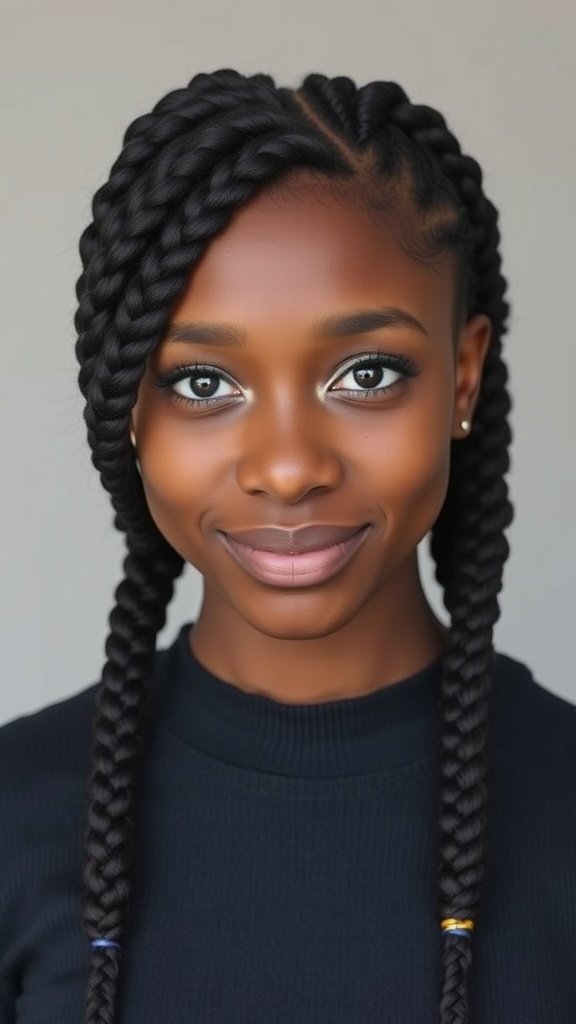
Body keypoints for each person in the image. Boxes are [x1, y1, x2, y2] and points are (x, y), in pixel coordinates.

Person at [1, 68, 575, 1024]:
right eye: (203, 384)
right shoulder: (16, 814)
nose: (289, 467)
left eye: (367, 374)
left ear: (464, 378)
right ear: (128, 408)